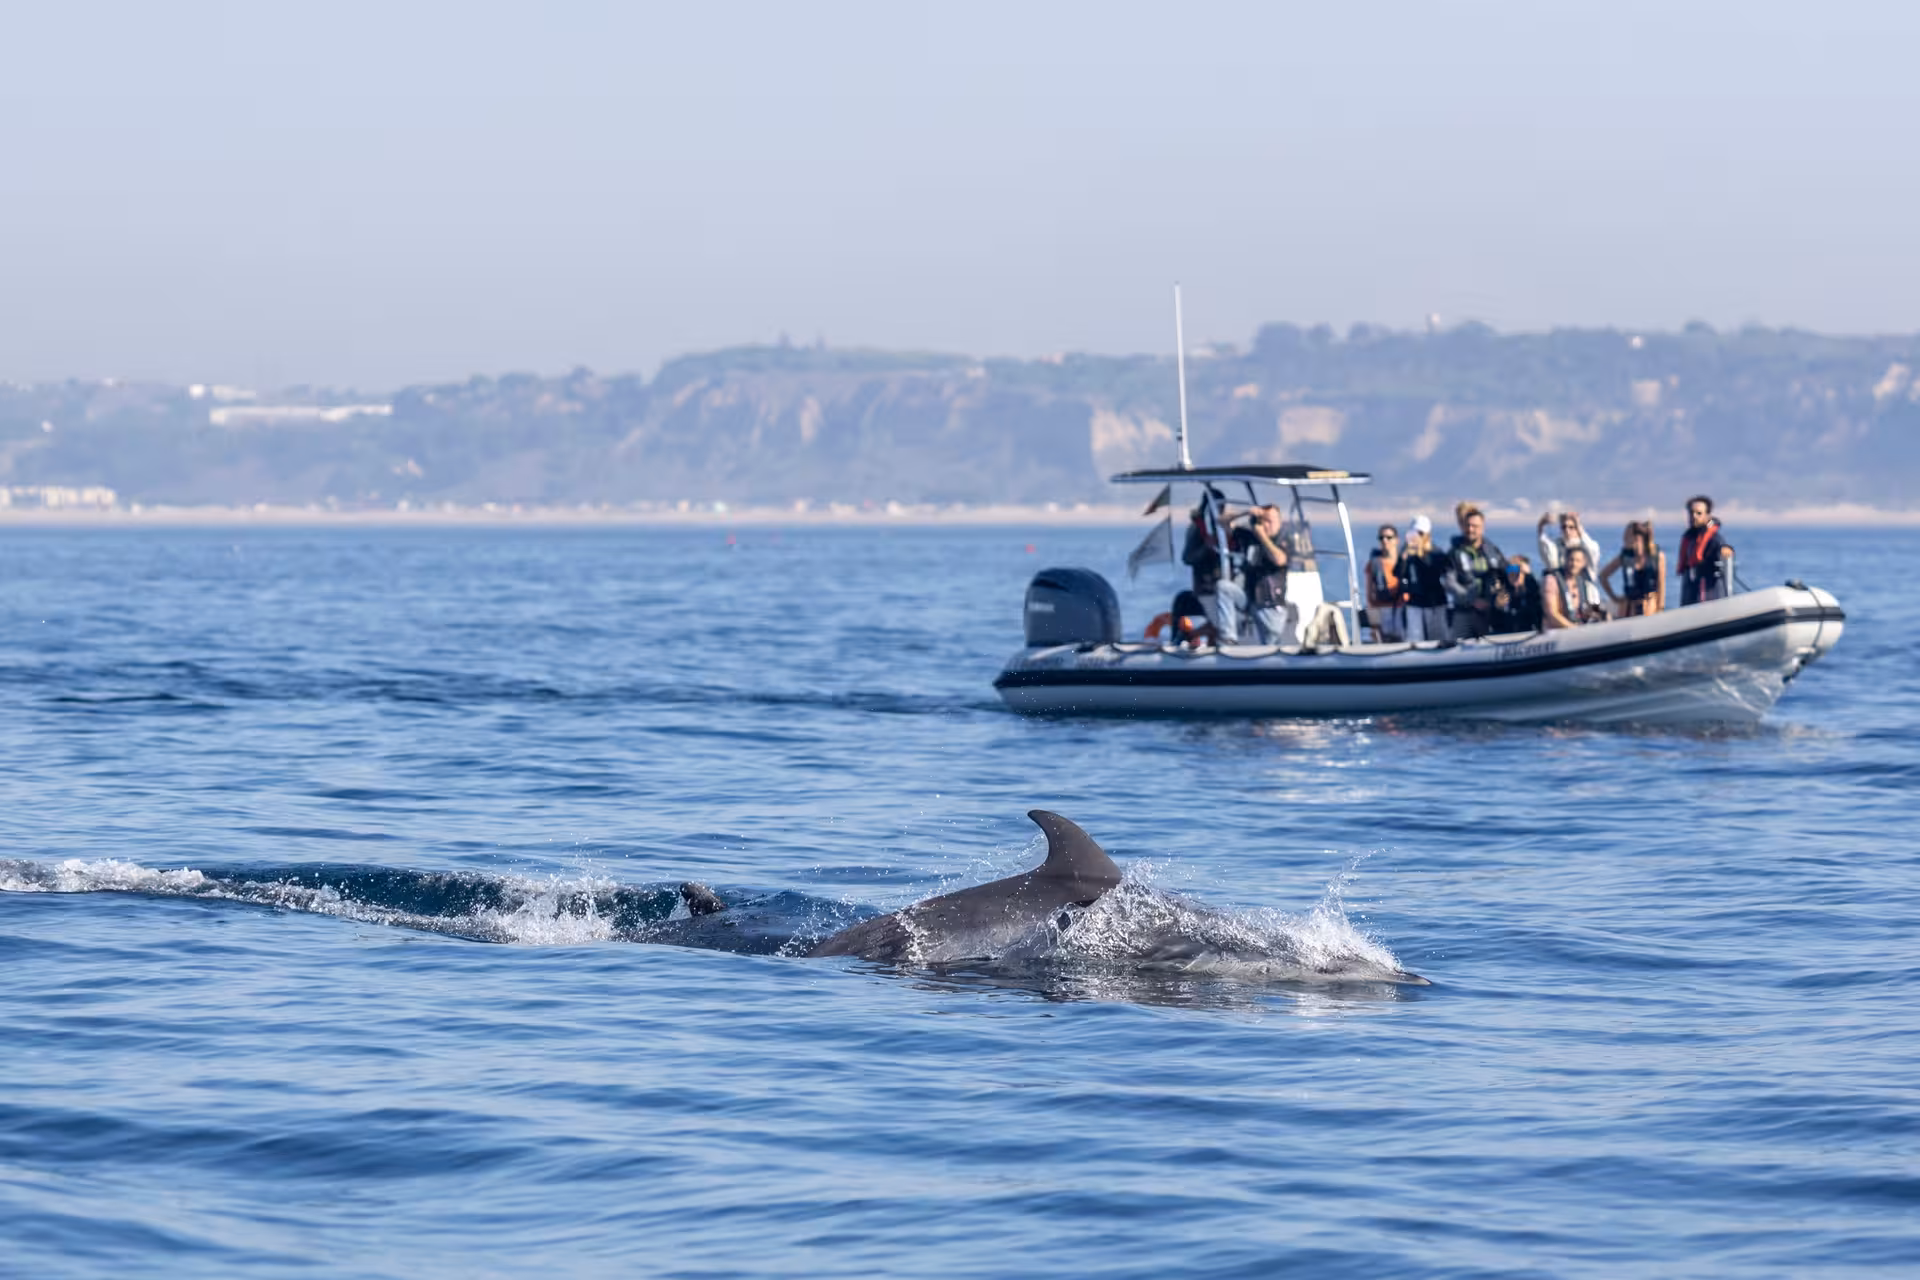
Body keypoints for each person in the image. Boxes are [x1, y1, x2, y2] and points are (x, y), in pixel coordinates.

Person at [1180, 492, 1245, 641]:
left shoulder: (1223, 528)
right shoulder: (1197, 530)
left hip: (1228, 585)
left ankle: (1197, 637)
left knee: (1228, 617)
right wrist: (1205, 548)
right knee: (1219, 622)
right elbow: (1187, 558)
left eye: (1221, 506)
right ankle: (1192, 637)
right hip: (1207, 588)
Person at [1444, 506, 1508, 639]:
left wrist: (1519, 569)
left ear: (1483, 527)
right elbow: (1449, 583)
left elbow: (1506, 570)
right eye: (1468, 526)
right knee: (1456, 648)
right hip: (1464, 611)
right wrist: (1472, 600)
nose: (1470, 529)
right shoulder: (1455, 552)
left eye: (1475, 526)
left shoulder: (1492, 551)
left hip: (1489, 612)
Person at [1243, 504, 1296, 644]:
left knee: (1272, 641)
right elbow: (1222, 523)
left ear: (1279, 522)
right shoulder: (1250, 538)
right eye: (1263, 521)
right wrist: (1245, 512)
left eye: (1270, 521)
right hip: (1251, 599)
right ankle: (1227, 640)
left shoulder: (1285, 540)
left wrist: (1261, 536)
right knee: (1225, 588)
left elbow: (1279, 559)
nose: (1267, 525)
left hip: (1271, 603)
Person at [1398, 514, 1450, 643]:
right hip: (1415, 603)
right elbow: (1398, 573)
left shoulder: (1437, 553)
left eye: (1421, 533)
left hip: (1435, 604)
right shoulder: (1408, 553)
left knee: (1438, 639)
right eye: (1415, 533)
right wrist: (1403, 558)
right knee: (1415, 640)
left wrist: (1421, 553)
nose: (1417, 537)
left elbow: (1437, 575)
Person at [1601, 520, 1666, 617]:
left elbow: (1661, 584)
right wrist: (1615, 598)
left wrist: (1660, 608)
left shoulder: (1656, 556)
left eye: (1627, 536)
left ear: (1637, 537)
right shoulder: (1625, 557)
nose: (1624, 539)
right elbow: (1603, 576)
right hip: (1628, 608)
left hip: (1649, 606)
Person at [1677, 495, 1733, 605]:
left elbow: (1723, 547)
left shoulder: (1714, 539)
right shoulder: (1689, 538)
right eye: (1691, 513)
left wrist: (1726, 549)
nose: (1694, 516)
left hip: (1708, 592)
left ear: (1707, 516)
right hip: (1690, 590)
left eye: (1699, 513)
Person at [1536, 510, 1602, 592]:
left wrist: (1578, 525)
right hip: (1564, 593)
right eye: (1564, 527)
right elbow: (1547, 552)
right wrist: (1541, 526)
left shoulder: (1586, 547)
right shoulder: (1557, 547)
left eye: (1571, 527)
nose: (1567, 530)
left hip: (1587, 593)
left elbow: (1593, 552)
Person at [1543, 544, 1608, 628]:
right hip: (1557, 631)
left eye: (1578, 561)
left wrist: (1599, 613)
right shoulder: (1552, 580)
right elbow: (1552, 613)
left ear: (1583, 563)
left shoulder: (1583, 584)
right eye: (1571, 560)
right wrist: (1573, 628)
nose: (1574, 564)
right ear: (1565, 560)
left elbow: (1585, 609)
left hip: (1577, 629)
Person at [1364, 524, 1405, 642]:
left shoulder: (1405, 562)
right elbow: (1369, 594)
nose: (1385, 541)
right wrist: (1373, 623)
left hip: (1401, 609)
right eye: (1381, 538)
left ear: (1396, 540)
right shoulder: (1374, 564)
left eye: (1389, 537)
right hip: (1381, 610)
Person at [1493, 555, 1544, 632]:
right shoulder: (1502, 593)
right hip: (1507, 638)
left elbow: (1539, 616)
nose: (1515, 574)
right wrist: (1497, 608)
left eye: (1519, 569)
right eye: (1510, 569)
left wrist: (1529, 577)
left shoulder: (1534, 593)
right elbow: (1495, 624)